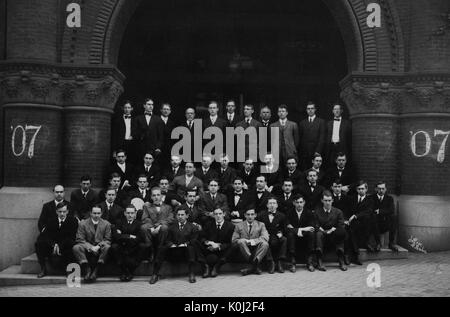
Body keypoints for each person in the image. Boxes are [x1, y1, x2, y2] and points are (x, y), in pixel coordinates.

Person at [149, 208, 200, 284]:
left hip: (185, 252)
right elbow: (167, 240)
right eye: (178, 215)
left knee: (191, 248)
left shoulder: (193, 227)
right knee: (162, 248)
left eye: (182, 215)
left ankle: (191, 273)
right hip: (174, 251)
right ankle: (155, 274)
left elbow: (194, 240)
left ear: (187, 216)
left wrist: (185, 244)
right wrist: (171, 244)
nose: (180, 216)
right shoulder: (171, 227)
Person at [35, 201, 78, 278]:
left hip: (65, 245)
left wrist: (59, 246)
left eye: (64, 212)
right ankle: (43, 269)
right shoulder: (51, 221)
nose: (62, 214)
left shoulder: (73, 221)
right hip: (52, 245)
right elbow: (45, 235)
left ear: (67, 212)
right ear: (56, 212)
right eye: (60, 212)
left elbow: (72, 237)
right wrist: (53, 245)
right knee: (39, 243)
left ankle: (68, 269)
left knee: (72, 244)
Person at [72, 206, 112, 283]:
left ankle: (96, 271)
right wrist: (90, 247)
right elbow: (80, 239)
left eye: (98, 213)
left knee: (107, 247)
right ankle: (87, 270)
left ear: (101, 213)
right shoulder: (83, 223)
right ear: (90, 213)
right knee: (76, 247)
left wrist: (98, 246)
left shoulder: (106, 224)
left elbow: (107, 239)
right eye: (94, 213)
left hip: (99, 247)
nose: (96, 215)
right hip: (87, 246)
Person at [314, 191, 347, 271]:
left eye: (329, 200)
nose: (327, 203)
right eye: (325, 200)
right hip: (322, 235)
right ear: (322, 200)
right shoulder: (317, 211)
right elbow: (316, 225)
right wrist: (324, 231)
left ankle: (341, 260)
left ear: (332, 200)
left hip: (333, 236)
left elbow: (341, 225)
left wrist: (332, 230)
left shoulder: (338, 212)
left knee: (341, 232)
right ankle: (319, 261)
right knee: (318, 234)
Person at [111, 205, 146, 282]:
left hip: (134, 247)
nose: (130, 215)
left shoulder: (139, 224)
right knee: (114, 247)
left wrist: (123, 235)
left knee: (143, 246)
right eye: (128, 213)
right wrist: (130, 236)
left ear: (135, 213)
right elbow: (116, 236)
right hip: (122, 246)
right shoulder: (119, 222)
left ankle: (130, 272)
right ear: (124, 213)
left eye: (132, 213)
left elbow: (139, 238)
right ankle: (124, 271)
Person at [197, 208, 235, 278]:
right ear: (213, 215)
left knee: (235, 244)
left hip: (222, 251)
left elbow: (230, 242)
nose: (218, 216)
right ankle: (205, 266)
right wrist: (208, 242)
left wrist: (218, 246)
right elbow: (202, 237)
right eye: (216, 214)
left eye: (220, 214)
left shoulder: (230, 226)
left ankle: (217, 267)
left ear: (224, 214)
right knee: (195, 242)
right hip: (209, 249)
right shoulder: (208, 224)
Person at [231, 209, 269, 276]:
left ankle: (252, 268)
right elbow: (234, 239)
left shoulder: (261, 224)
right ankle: (254, 266)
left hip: (256, 249)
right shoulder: (239, 225)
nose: (250, 216)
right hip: (243, 250)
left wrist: (253, 241)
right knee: (241, 241)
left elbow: (265, 237)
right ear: (245, 215)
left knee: (265, 244)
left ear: (255, 215)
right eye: (248, 214)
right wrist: (244, 241)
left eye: (252, 214)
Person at [140, 187, 174, 261]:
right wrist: (152, 227)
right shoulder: (147, 206)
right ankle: (150, 250)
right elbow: (145, 218)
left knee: (164, 227)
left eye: (158, 195)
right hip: (151, 228)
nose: (156, 197)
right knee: (144, 227)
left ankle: (160, 251)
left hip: (162, 229)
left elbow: (170, 219)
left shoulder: (168, 207)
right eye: (154, 195)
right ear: (151, 197)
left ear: (161, 196)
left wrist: (159, 225)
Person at [257, 197, 288, 274]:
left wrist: (281, 233)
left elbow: (284, 228)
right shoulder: (261, 215)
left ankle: (280, 262)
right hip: (265, 236)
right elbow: (257, 227)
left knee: (284, 239)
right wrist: (263, 234)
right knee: (265, 241)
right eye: (270, 203)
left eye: (274, 203)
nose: (272, 205)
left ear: (277, 205)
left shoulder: (281, 215)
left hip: (276, 235)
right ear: (267, 205)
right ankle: (271, 263)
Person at [286, 194, 316, 272]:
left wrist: (297, 229)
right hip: (294, 235)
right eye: (297, 202)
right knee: (290, 234)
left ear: (304, 202)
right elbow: (288, 227)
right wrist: (303, 229)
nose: (299, 204)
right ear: (294, 203)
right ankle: (293, 262)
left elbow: (312, 227)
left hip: (305, 235)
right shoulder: (289, 213)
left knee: (311, 234)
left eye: (301, 202)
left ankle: (309, 261)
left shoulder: (309, 213)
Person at [347, 181, 376, 254]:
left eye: (362, 189)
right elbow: (348, 210)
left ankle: (365, 243)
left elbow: (369, 211)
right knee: (352, 228)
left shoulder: (370, 200)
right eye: (359, 189)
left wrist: (356, 216)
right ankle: (356, 251)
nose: (361, 190)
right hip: (353, 222)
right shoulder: (351, 199)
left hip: (364, 221)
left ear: (366, 189)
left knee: (369, 220)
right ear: (356, 190)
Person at [298, 102, 326, 170]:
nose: (310, 110)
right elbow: (300, 138)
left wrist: (318, 151)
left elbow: (322, 137)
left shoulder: (321, 122)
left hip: (316, 151)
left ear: (315, 109)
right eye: (308, 109)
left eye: (312, 108)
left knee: (315, 169)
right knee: (305, 169)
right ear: (306, 110)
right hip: (305, 152)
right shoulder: (302, 123)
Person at [372, 181, 398, 252]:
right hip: (374, 223)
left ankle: (391, 243)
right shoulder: (371, 198)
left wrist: (380, 211)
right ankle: (378, 243)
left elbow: (391, 210)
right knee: (373, 216)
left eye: (383, 188)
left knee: (393, 217)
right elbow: (371, 210)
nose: (381, 190)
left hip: (385, 222)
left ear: (385, 189)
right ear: (376, 189)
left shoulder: (389, 198)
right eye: (379, 188)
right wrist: (384, 211)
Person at [159, 102, 176, 169]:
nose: (166, 111)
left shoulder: (172, 123)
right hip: (158, 149)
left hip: (168, 150)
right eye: (164, 109)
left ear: (170, 111)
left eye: (168, 109)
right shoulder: (155, 120)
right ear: (161, 110)